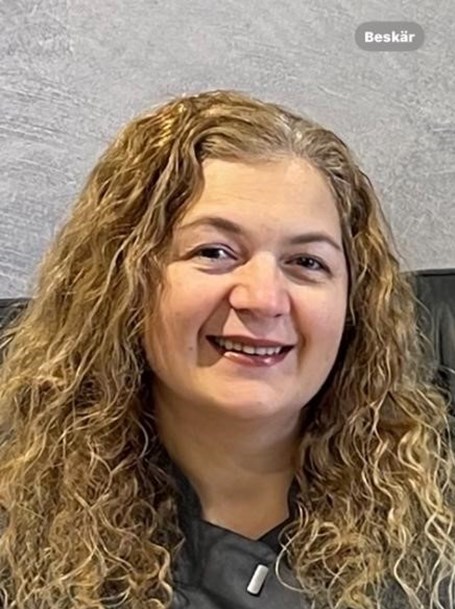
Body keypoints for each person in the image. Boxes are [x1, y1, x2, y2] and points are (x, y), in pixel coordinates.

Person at [0, 89, 453, 609]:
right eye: (214, 252)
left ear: (355, 302)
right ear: (124, 283)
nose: (263, 299)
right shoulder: (19, 523)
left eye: (307, 262)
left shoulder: (435, 507)